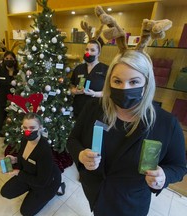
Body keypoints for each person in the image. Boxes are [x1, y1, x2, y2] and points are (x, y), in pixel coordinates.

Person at [67, 50, 187, 216]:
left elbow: (179, 167)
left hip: (131, 203)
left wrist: (164, 175)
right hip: (96, 192)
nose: (124, 88)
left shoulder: (166, 124)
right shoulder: (94, 108)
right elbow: (73, 140)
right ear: (109, 82)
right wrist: (80, 155)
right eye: (117, 81)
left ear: (146, 84)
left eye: (134, 81)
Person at [0, 113, 63, 216]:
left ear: (40, 128)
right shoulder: (25, 139)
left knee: (25, 212)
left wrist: (18, 173)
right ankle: (31, 191)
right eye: (25, 127)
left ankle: (57, 188)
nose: (28, 131)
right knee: (6, 192)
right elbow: (24, 158)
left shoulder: (44, 150)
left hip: (47, 183)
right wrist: (14, 160)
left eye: (32, 127)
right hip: (29, 174)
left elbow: (42, 182)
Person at [70, 40, 108, 118]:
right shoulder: (78, 68)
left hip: (97, 111)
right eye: (87, 49)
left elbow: (109, 93)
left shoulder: (105, 69)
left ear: (98, 53)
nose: (88, 53)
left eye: (92, 50)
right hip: (78, 110)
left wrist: (94, 93)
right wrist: (75, 91)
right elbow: (71, 87)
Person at [0, 51, 19, 137]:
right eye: (6, 59)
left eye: (11, 58)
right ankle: (2, 134)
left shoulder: (18, 71)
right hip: (1, 98)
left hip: (14, 100)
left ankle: (13, 134)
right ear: (3, 60)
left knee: (13, 117)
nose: (8, 60)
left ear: (14, 60)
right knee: (1, 117)